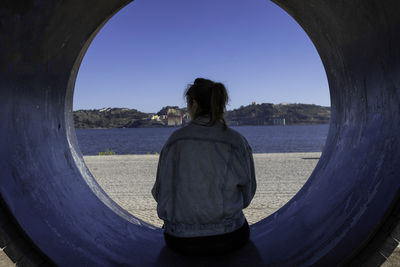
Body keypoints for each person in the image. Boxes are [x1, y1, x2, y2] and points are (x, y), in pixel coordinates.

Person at [151, 78, 256, 256]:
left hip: (180, 240)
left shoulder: (175, 140)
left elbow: (159, 193)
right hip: (229, 236)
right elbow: (248, 193)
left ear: (195, 104)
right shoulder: (236, 141)